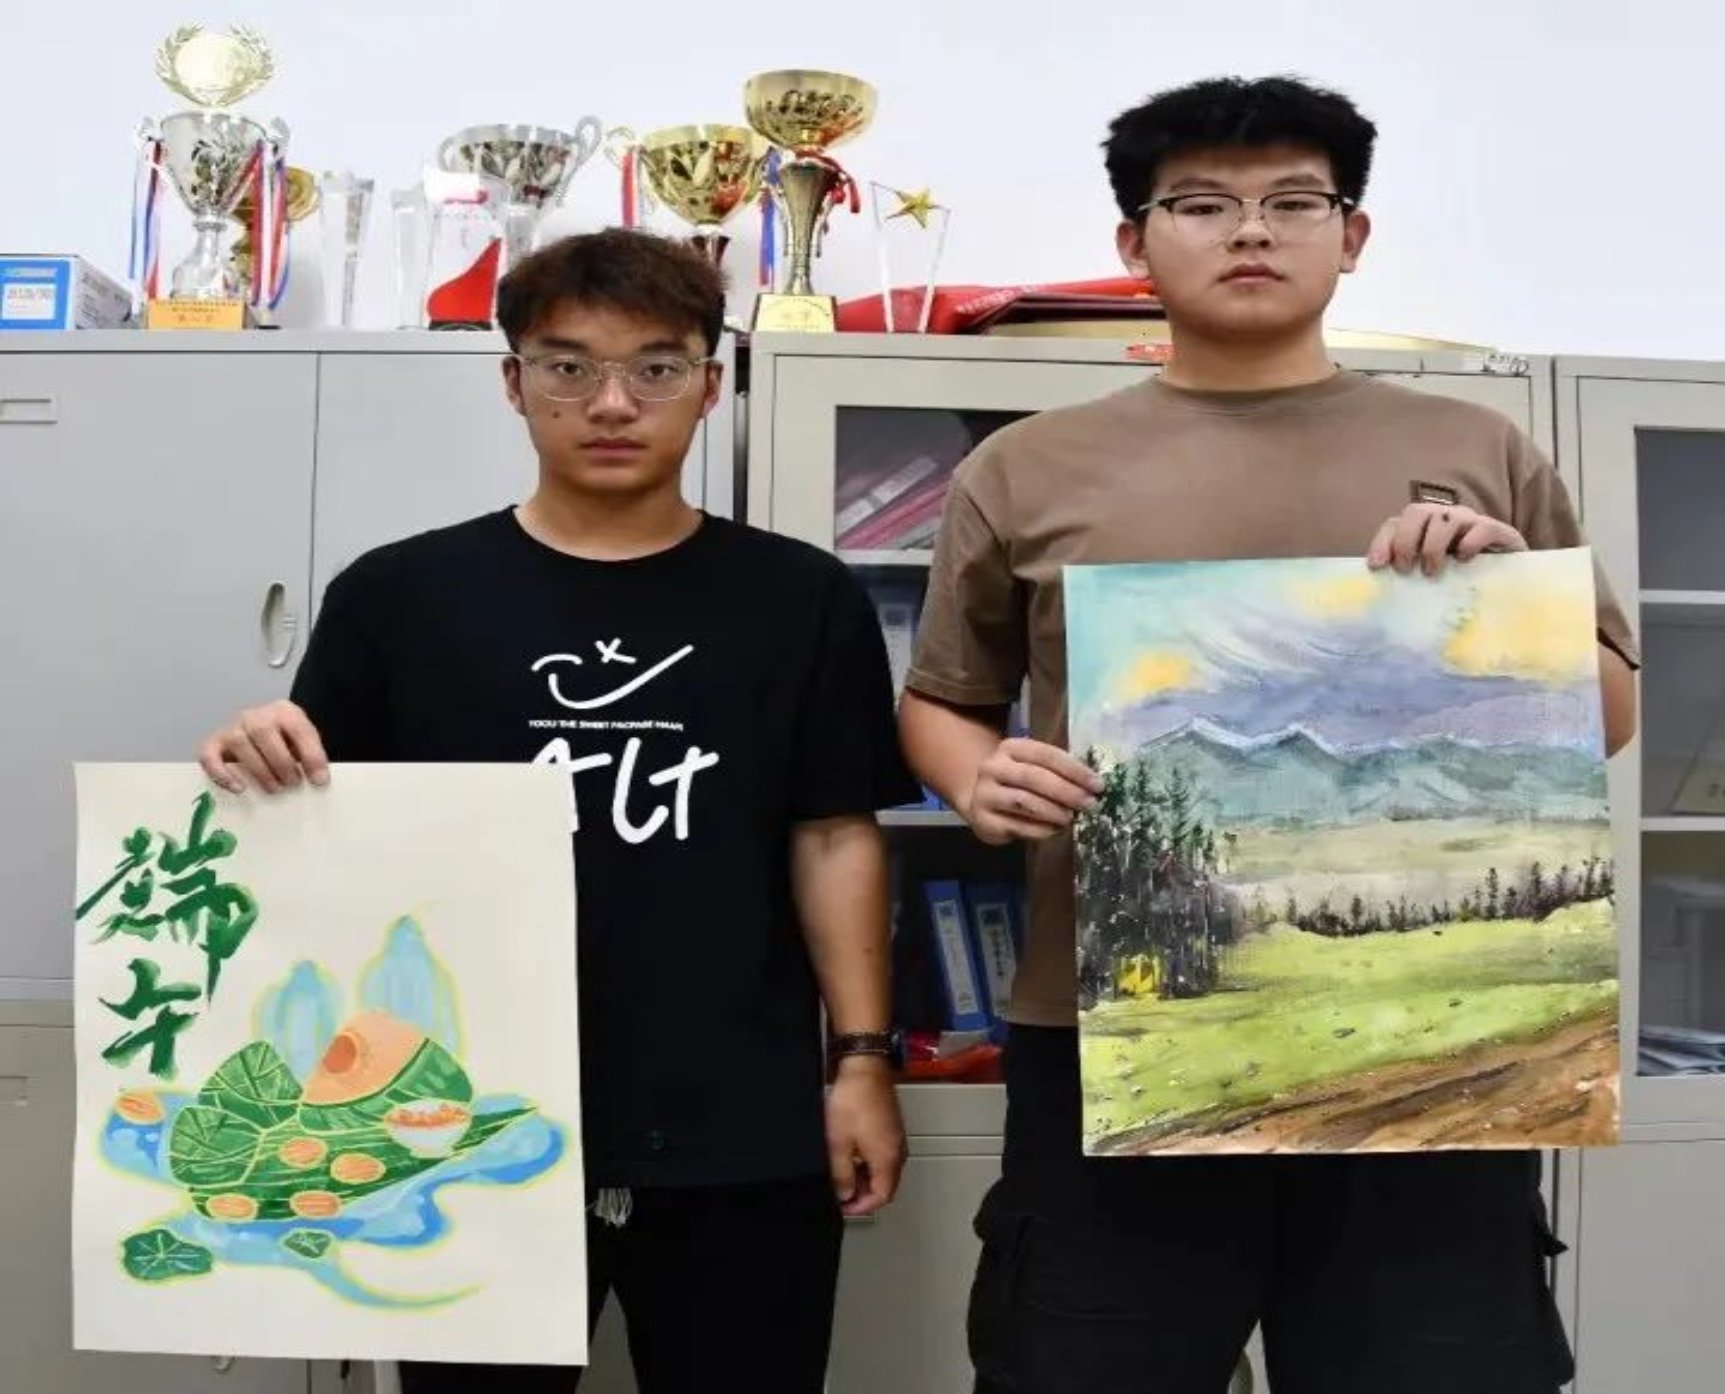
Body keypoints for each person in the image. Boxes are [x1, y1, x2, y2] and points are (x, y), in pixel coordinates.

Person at [897, 74, 1640, 1394]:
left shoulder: (1476, 446)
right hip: (1110, 1028)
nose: (1250, 230)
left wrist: (1508, 602)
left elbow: (1611, 718)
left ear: (1350, 235)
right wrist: (976, 772)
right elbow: (944, 696)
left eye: (1294, 201)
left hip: (1428, 1042)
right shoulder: (1025, 466)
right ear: (1134, 244)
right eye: (1201, 204)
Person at [196, 227, 917, 1393]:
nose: (612, 403)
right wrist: (250, 759)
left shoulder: (800, 598)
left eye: (657, 367)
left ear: (711, 386)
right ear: (513, 381)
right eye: (569, 366)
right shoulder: (399, 596)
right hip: (459, 1124)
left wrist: (863, 1060)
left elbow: (833, 834)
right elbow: (322, 821)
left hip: (738, 1121)